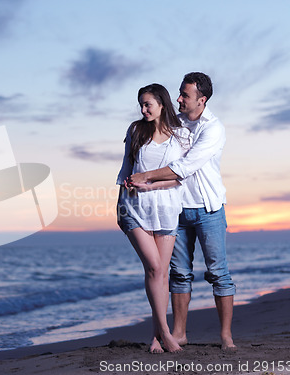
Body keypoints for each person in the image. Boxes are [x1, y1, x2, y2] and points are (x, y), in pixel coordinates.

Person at [127, 72, 236, 351]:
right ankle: (178, 334)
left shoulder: (214, 128)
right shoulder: (174, 125)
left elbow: (184, 167)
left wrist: (145, 177)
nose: (178, 99)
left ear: (202, 99)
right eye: (178, 93)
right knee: (178, 273)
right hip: (175, 210)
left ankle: (225, 336)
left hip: (208, 208)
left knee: (218, 272)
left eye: (184, 95)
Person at [116, 83, 190, 353]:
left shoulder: (180, 135)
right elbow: (126, 166)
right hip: (133, 207)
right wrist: (119, 201)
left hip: (166, 208)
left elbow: (179, 176)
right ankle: (166, 333)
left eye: (148, 104)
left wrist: (152, 185)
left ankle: (157, 337)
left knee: (162, 273)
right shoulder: (136, 130)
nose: (143, 109)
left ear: (162, 103)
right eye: (141, 105)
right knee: (154, 268)